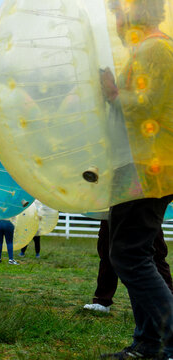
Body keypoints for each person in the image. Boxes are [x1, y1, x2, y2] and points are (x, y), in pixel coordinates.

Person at [100, 1, 173, 358]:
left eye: (118, 12)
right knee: (139, 253)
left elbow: (153, 104)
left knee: (128, 255)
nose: (115, 21)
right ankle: (148, 344)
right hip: (142, 165)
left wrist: (114, 94)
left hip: (147, 167)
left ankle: (165, 342)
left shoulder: (156, 48)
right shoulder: (150, 48)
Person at [84, 220, 173, 313]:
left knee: (156, 253)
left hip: (145, 210)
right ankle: (102, 301)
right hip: (111, 209)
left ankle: (168, 302)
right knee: (108, 253)